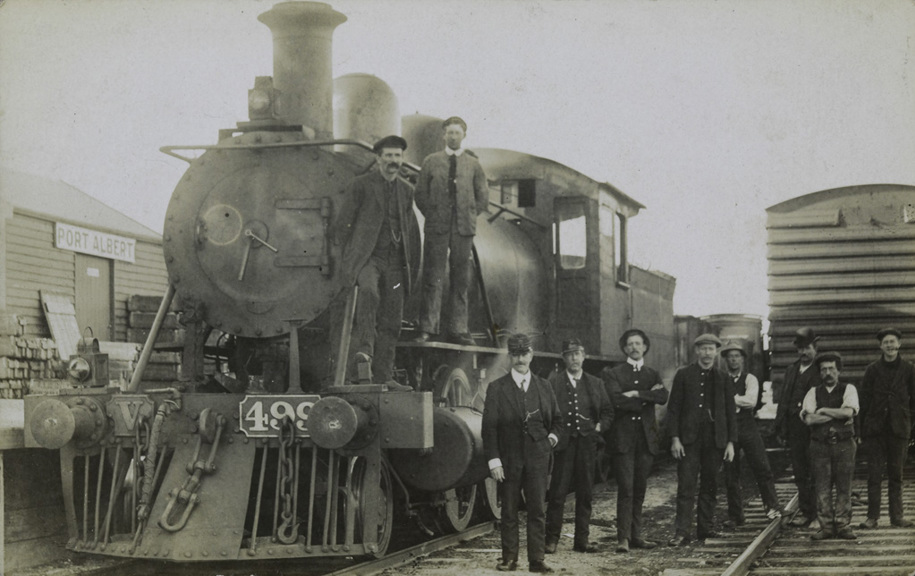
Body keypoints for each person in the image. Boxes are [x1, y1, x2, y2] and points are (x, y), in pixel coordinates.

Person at [332, 135, 417, 390]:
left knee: (392, 318)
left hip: (395, 261)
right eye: (388, 155)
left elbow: (409, 229)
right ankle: (365, 351)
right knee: (369, 292)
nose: (393, 161)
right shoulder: (361, 185)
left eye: (397, 156)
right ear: (378, 158)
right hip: (368, 258)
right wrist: (348, 259)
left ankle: (384, 376)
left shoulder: (407, 191)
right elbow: (343, 224)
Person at [482, 333, 562, 573]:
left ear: (531, 355)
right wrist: (494, 461)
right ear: (510, 357)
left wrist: (550, 441)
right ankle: (509, 558)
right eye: (515, 354)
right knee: (509, 510)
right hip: (509, 460)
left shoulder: (544, 386)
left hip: (538, 458)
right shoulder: (497, 388)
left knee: (537, 510)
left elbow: (557, 421)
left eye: (524, 353)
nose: (520, 359)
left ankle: (536, 560)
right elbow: (489, 428)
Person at [413, 116, 488, 346]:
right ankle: (427, 328)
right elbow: (420, 194)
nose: (453, 137)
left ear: (464, 135)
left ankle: (459, 329)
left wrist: (468, 216)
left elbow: (482, 197)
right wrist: (433, 214)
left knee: (460, 279)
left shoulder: (473, 164)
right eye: (449, 132)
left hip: (463, 229)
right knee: (432, 277)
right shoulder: (431, 161)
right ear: (443, 135)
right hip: (437, 227)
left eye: (457, 132)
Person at [666, 333, 737, 546]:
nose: (707, 353)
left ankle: (705, 529)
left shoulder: (723, 377)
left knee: (710, 485)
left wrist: (731, 442)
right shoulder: (684, 375)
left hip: (715, 441)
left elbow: (730, 412)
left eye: (711, 349)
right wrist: (675, 438)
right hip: (689, 441)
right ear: (697, 351)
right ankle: (682, 532)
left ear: (716, 352)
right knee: (686, 486)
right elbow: (674, 409)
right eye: (703, 349)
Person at [544, 338, 613, 555]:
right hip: (564, 446)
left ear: (584, 357)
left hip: (587, 445)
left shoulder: (595, 383)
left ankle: (582, 541)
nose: (574, 358)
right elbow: (546, 412)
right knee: (557, 494)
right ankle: (551, 540)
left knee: (585, 493)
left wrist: (599, 428)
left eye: (577, 354)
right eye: (569, 354)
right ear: (564, 358)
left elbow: (608, 412)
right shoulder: (553, 383)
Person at [603, 328, 669, 553]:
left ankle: (636, 536)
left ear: (645, 347)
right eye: (630, 344)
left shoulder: (652, 373)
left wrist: (636, 394)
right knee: (626, 489)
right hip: (623, 440)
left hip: (646, 439)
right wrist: (646, 397)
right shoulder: (614, 373)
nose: (634, 347)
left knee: (640, 488)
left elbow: (662, 397)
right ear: (624, 348)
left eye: (638, 343)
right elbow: (615, 400)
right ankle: (623, 538)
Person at [719, 341, 782, 527]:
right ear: (725, 360)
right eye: (730, 357)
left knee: (762, 466)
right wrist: (737, 400)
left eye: (737, 356)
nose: (733, 360)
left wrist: (728, 399)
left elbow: (751, 401)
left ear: (742, 359)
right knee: (731, 473)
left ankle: (773, 508)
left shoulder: (750, 379)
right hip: (728, 429)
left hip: (747, 427)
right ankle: (736, 516)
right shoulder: (720, 378)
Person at [857, 328, 915, 529]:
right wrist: (862, 429)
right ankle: (872, 517)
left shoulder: (909, 369)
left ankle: (897, 517)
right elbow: (864, 401)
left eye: (893, 341)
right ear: (880, 346)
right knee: (874, 475)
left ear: (899, 344)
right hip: (876, 430)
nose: (890, 345)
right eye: (886, 342)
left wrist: (909, 424)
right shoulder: (872, 370)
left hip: (899, 430)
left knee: (896, 475)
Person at [801, 351, 859, 540]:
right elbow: (809, 419)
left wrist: (823, 410)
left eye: (832, 369)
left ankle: (842, 525)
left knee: (844, 486)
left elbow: (849, 412)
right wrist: (838, 414)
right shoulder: (813, 392)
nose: (828, 373)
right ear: (820, 372)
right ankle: (826, 527)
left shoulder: (849, 389)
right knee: (822, 487)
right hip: (820, 446)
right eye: (824, 369)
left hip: (844, 445)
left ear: (838, 371)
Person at [774, 327, 821, 528]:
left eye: (807, 348)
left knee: (816, 471)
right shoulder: (791, 370)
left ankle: (818, 515)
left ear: (815, 349)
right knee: (800, 472)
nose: (804, 352)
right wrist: (779, 427)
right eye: (800, 349)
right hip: (794, 429)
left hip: (813, 428)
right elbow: (784, 399)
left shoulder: (820, 369)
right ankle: (806, 512)